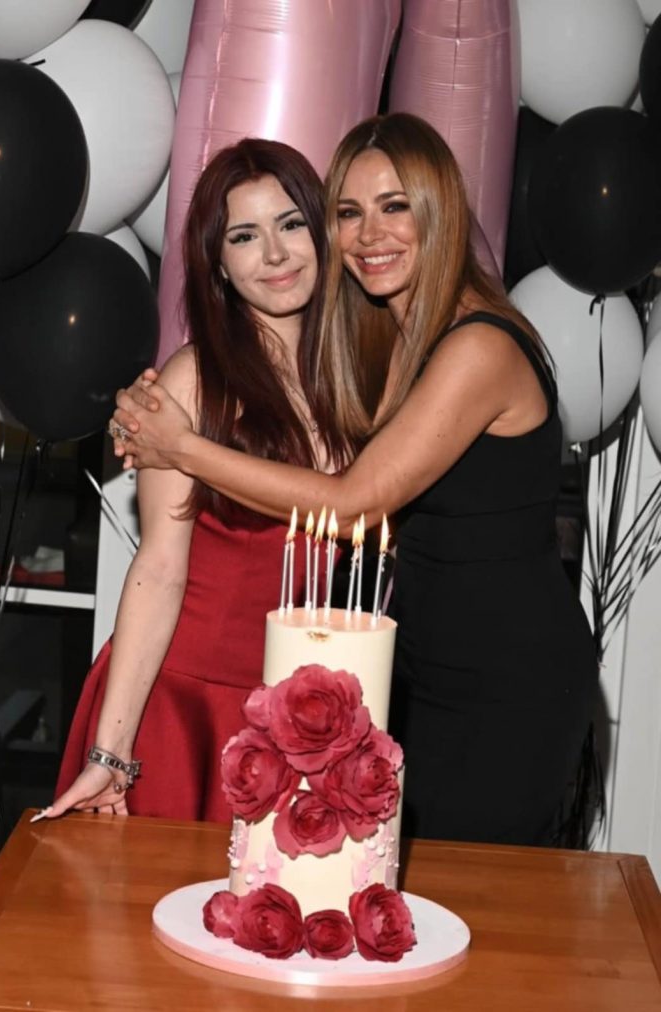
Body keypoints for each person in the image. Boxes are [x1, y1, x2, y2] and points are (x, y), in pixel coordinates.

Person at [112, 112, 598, 846]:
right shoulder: (388, 340)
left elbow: (352, 504)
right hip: (418, 673)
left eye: (395, 206)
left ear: (440, 212)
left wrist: (181, 446)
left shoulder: (477, 348)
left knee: (474, 898)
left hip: (505, 683)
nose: (371, 235)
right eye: (348, 213)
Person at [44, 139, 353, 822]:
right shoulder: (193, 381)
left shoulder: (353, 380)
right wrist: (111, 754)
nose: (275, 254)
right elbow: (160, 568)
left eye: (291, 224)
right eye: (244, 236)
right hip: (183, 703)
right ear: (217, 262)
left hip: (297, 711)